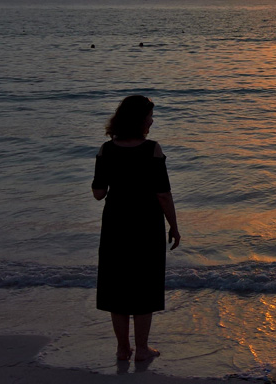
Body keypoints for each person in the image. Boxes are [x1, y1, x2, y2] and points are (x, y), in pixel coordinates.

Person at [91, 95, 181, 362]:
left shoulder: (106, 150)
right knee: (144, 285)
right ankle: (141, 349)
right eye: (150, 116)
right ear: (140, 120)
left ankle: (122, 349)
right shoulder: (152, 149)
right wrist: (174, 226)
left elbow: (98, 193)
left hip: (116, 225)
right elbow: (163, 194)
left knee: (116, 286)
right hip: (146, 225)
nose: (152, 121)